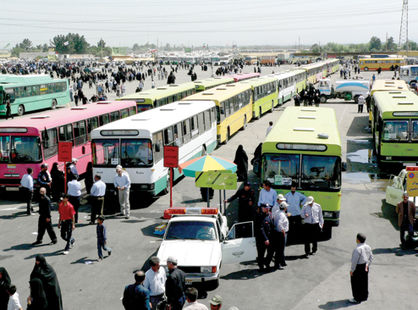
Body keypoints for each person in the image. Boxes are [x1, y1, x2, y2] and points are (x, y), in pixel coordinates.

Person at [349, 233, 373, 304]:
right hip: (365, 266)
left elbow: (354, 261)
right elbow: (371, 257)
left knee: (356, 283)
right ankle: (364, 296)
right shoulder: (368, 247)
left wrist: (352, 270)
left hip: (358, 267)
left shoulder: (357, 249)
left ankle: (357, 298)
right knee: (364, 281)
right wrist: (368, 265)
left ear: (358, 240)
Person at [272, 202, 289, 270]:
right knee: (280, 250)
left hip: (277, 232)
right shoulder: (282, 215)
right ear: (285, 208)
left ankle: (281, 262)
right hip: (281, 233)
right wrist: (283, 231)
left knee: (279, 249)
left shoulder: (277, 212)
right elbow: (279, 224)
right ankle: (277, 264)